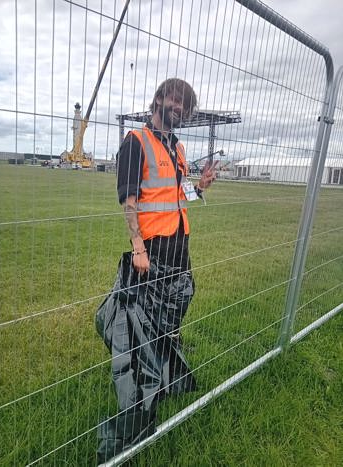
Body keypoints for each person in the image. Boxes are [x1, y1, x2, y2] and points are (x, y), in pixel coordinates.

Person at [96, 78, 218, 463]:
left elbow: (177, 193)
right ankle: (143, 392)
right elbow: (130, 201)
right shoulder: (137, 142)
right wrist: (137, 248)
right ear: (160, 99)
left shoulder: (177, 147)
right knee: (143, 327)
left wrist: (201, 185)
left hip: (181, 247)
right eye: (177, 100)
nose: (181, 108)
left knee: (171, 316)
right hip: (151, 251)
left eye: (187, 105)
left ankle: (166, 370)